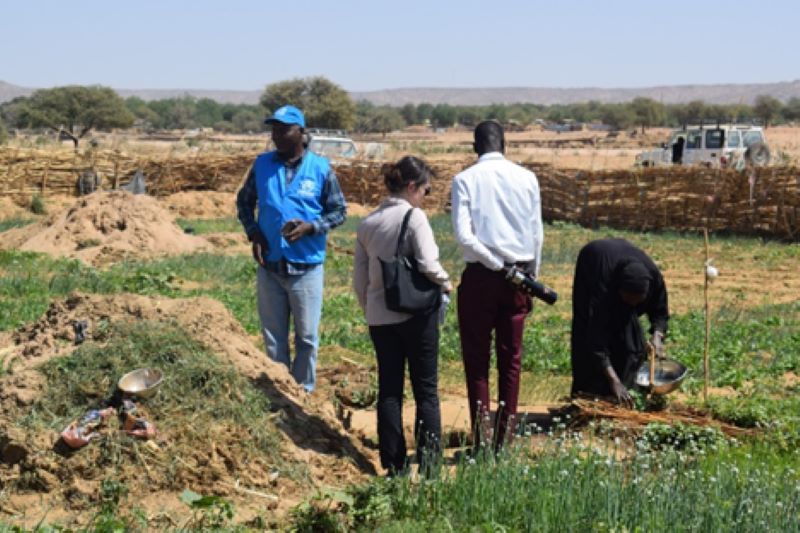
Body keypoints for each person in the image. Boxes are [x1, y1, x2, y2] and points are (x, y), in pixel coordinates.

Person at [236, 105, 346, 393]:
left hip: (306, 267)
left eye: (284, 129)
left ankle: (303, 393)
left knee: (307, 337)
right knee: (274, 337)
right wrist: (255, 234)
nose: (277, 135)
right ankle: (279, 391)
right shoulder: (262, 165)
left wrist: (311, 226)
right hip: (270, 265)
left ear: (301, 132)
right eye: (274, 129)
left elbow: (339, 211)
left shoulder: (320, 168)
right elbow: (244, 203)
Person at [353, 156, 451, 475]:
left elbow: (360, 279)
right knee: (426, 390)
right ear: (411, 187)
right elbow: (427, 263)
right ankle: (430, 466)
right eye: (426, 189)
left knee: (389, 390)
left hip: (380, 319)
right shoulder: (414, 217)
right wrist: (447, 282)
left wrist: (371, 309)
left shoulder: (367, 223)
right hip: (416, 316)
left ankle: (393, 465)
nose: (426, 196)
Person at [451, 120, 544, 449]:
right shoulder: (527, 178)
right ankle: (503, 439)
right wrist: (528, 277)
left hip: (481, 276)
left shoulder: (464, 180)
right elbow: (536, 234)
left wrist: (495, 265)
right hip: (518, 277)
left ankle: (481, 438)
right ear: (505, 145)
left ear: (475, 147)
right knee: (511, 359)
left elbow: (465, 237)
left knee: (477, 360)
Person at [570, 238, 670, 407]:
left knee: (631, 341)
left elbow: (660, 313)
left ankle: (627, 389)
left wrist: (658, 336)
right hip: (592, 262)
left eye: (638, 302)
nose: (633, 305)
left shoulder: (654, 279)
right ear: (618, 291)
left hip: (617, 262)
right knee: (585, 332)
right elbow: (596, 339)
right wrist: (613, 381)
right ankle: (589, 394)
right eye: (628, 300)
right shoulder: (603, 287)